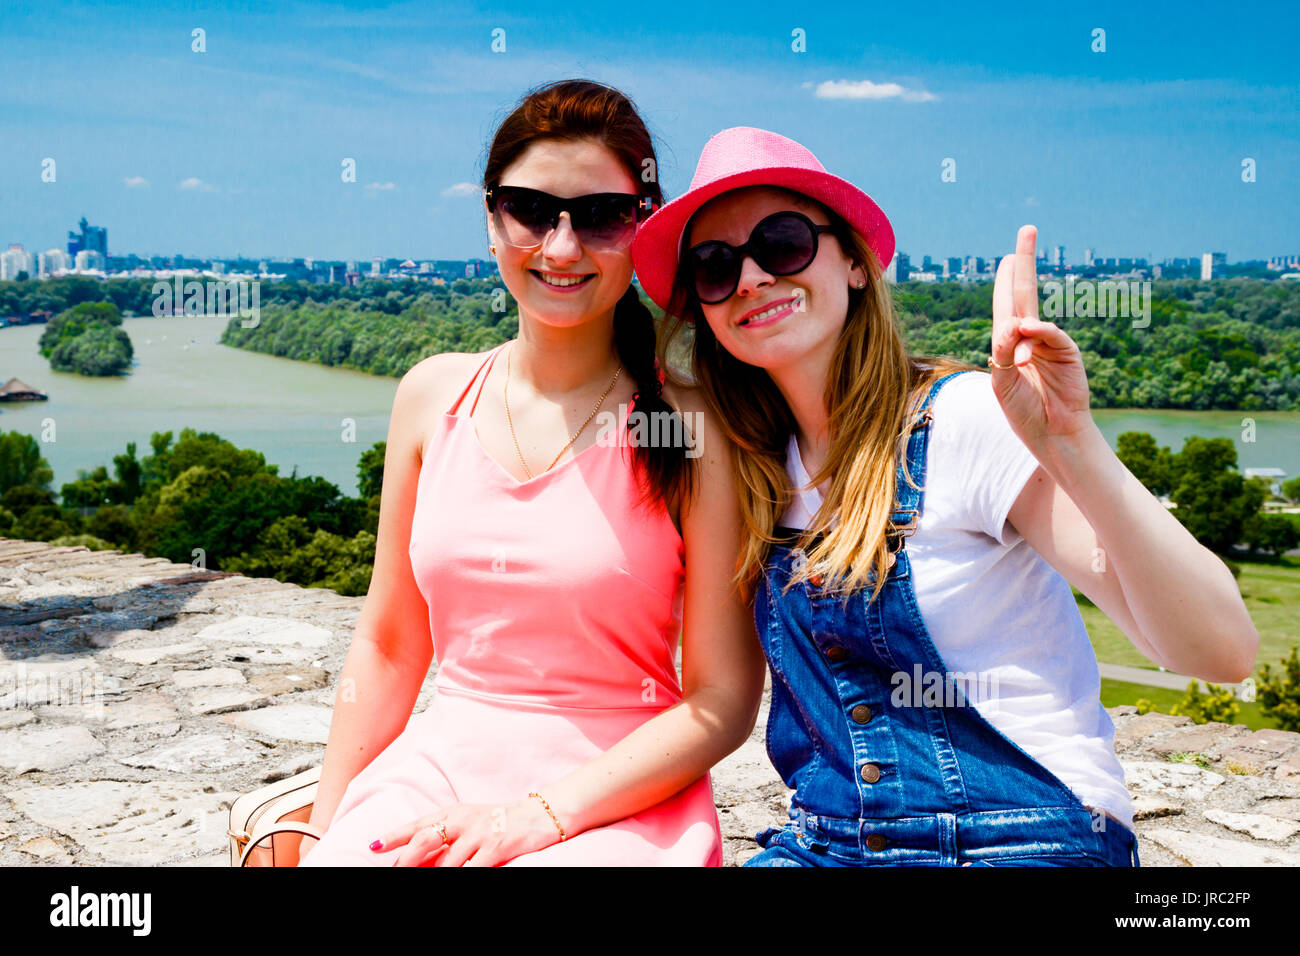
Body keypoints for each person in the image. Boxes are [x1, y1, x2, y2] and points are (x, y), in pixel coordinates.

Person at [629, 126, 1259, 866]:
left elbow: (1219, 651)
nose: (751, 278)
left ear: (855, 264)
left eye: (784, 241)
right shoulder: (755, 470)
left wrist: (1072, 443)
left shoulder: (962, 419)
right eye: (713, 265)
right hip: (828, 843)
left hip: (1018, 837)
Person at [298, 82, 765, 867]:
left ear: (643, 226)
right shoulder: (431, 397)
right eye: (529, 210)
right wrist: (321, 828)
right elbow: (387, 644)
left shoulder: (691, 428)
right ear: (491, 218)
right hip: (439, 768)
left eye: (602, 216)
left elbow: (721, 699)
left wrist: (541, 816)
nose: (561, 247)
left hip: (619, 788)